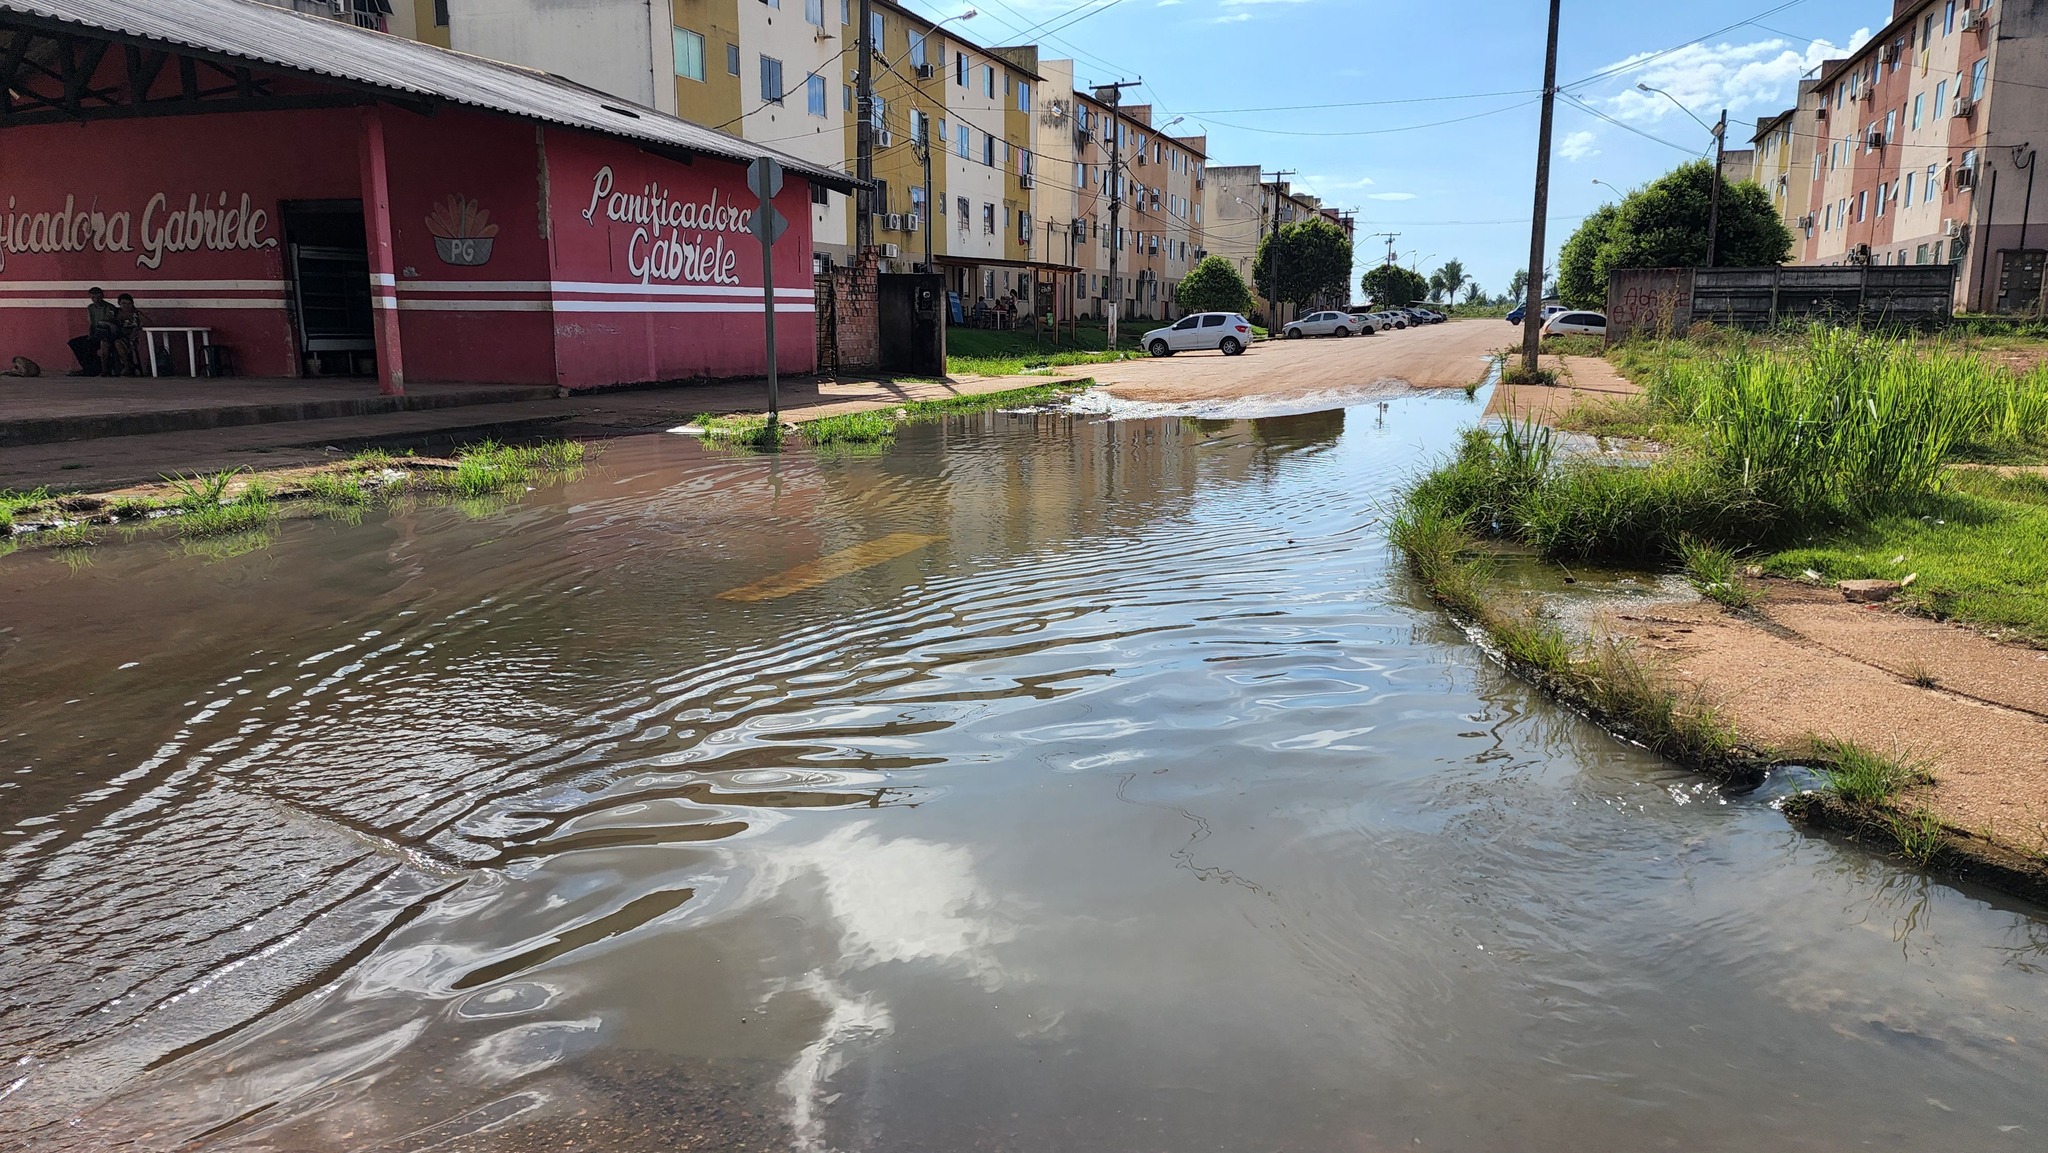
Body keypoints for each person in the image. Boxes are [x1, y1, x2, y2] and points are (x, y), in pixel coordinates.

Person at [66, 288, 120, 376]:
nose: (96, 300)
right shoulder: (90, 307)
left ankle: (101, 369)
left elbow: (109, 322)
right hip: (96, 334)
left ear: (102, 296)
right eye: (93, 297)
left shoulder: (109, 307)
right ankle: (87, 367)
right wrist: (90, 335)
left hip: (107, 334)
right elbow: (91, 323)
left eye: (98, 297)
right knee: (74, 343)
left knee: (94, 345)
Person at [109, 293, 148, 375]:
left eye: (129, 304)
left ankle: (127, 367)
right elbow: (107, 322)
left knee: (118, 343)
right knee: (107, 343)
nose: (126, 306)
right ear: (119, 304)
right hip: (116, 335)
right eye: (123, 303)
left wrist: (138, 327)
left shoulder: (136, 313)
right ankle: (105, 370)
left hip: (132, 337)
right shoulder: (115, 313)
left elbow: (149, 323)